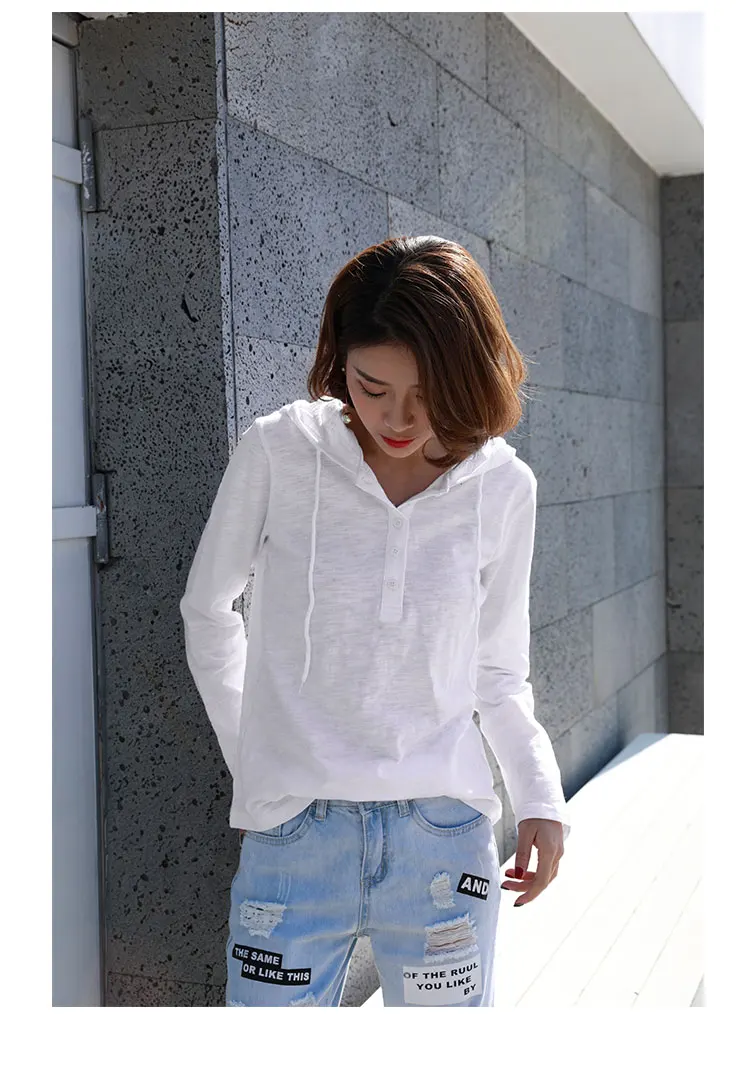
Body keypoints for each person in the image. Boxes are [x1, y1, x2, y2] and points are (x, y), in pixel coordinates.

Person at [179, 236, 570, 1007]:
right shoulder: (280, 451)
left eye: (427, 392)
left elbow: (498, 673)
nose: (397, 417)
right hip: (296, 837)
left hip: (443, 839)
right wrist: (254, 758)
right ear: (341, 364)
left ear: (468, 376)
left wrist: (540, 798)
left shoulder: (503, 487)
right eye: (372, 386)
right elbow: (208, 610)